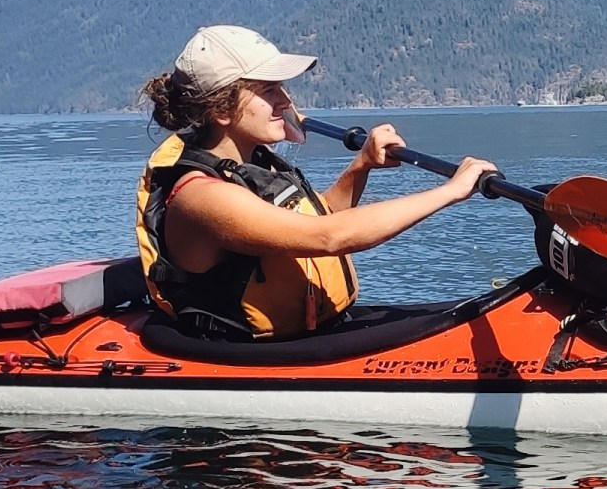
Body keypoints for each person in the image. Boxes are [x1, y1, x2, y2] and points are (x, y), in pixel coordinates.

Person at [135, 25, 496, 341]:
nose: (286, 101)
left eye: (282, 88)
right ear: (221, 110)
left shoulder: (252, 162)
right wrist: (450, 191)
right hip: (243, 351)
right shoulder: (202, 196)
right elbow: (328, 237)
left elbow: (312, 223)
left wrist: (362, 166)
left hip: (315, 330)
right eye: (269, 90)